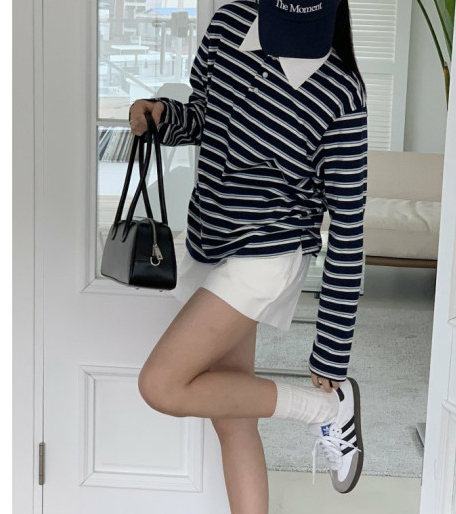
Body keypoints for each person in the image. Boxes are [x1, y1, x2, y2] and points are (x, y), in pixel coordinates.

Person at [130, 1, 367, 512]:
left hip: (268, 253)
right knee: (233, 421)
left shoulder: (342, 92)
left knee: (161, 384)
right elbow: (204, 116)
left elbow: (349, 228)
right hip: (209, 239)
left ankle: (326, 408)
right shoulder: (228, 27)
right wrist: (163, 116)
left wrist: (331, 349)